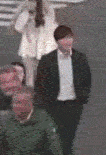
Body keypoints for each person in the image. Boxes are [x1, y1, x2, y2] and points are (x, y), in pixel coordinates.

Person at [35, 26, 92, 155]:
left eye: (70, 38)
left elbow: (86, 80)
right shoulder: (47, 60)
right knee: (54, 137)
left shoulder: (80, 58)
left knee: (69, 137)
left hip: (73, 105)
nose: (68, 42)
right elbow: (40, 83)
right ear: (57, 41)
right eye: (64, 39)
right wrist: (45, 102)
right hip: (54, 105)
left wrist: (82, 99)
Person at [11, 0, 58, 87]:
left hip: (29, 46)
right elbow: (52, 23)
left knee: (30, 75)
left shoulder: (25, 8)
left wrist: (26, 30)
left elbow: (17, 26)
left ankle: (30, 95)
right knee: (41, 74)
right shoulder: (47, 9)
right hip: (43, 47)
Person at [0, 87, 64, 155]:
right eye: (14, 102)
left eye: (19, 103)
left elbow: (55, 147)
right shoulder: (6, 120)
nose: (15, 106)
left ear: (30, 104)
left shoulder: (44, 119)